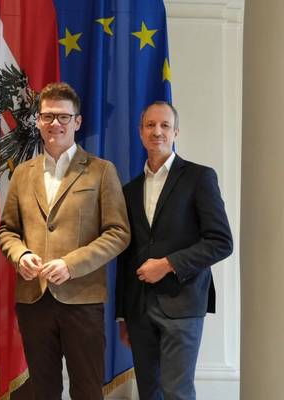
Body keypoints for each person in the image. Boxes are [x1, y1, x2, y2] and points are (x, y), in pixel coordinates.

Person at [0, 82, 130, 399]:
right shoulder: (22, 173)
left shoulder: (101, 171)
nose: (55, 123)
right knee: (43, 390)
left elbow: (118, 232)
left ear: (77, 122)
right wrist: (20, 255)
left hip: (82, 300)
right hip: (34, 300)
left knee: (87, 389)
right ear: (38, 121)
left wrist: (71, 265)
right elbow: (7, 230)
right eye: (47, 116)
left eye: (63, 117)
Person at [115, 101, 233, 400]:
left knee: (177, 393)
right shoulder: (128, 190)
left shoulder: (199, 178)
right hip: (139, 309)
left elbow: (221, 241)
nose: (157, 131)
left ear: (175, 132)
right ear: (141, 133)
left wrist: (168, 263)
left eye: (165, 125)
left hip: (183, 304)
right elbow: (126, 256)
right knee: (148, 392)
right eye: (150, 125)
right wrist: (123, 315)